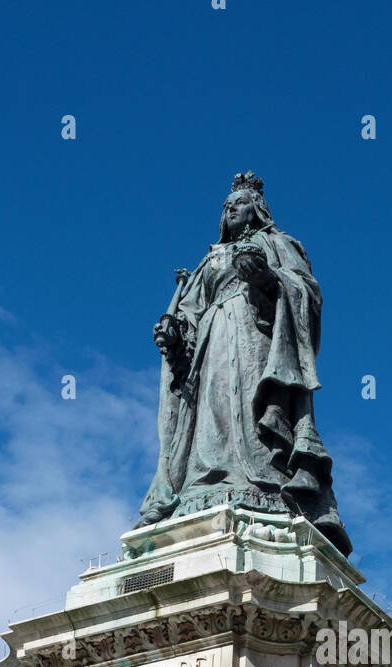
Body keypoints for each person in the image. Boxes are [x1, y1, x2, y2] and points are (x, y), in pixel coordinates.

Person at [139, 171, 351, 555]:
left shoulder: (277, 243)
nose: (230, 210)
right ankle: (205, 483)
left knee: (254, 405)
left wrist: (269, 280)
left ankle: (264, 483)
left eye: (237, 204)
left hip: (256, 335)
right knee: (211, 413)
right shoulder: (211, 260)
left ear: (256, 209)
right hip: (212, 340)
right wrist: (176, 335)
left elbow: (306, 291)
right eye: (226, 206)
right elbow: (190, 311)